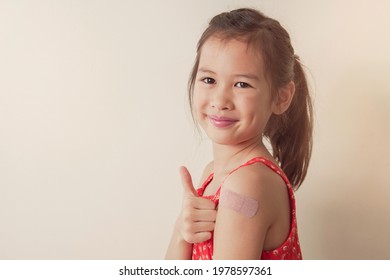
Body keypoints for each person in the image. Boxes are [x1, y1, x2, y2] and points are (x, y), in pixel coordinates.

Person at [165, 8, 313, 260]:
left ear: (281, 97)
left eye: (242, 84)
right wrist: (182, 231)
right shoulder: (212, 173)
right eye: (209, 80)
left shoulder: (247, 184)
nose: (220, 100)